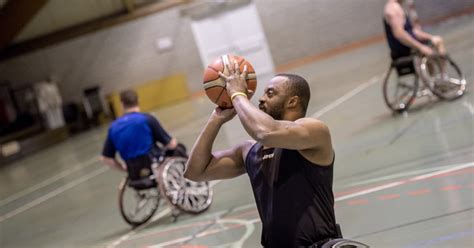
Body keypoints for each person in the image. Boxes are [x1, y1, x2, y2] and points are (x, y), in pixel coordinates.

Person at [184, 60, 338, 247]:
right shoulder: (250, 150)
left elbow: (265, 132)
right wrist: (216, 120)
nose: (261, 98)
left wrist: (238, 94)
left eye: (270, 93)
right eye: (264, 92)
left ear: (292, 101)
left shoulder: (314, 131)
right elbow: (195, 172)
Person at [101, 89, 177, 179]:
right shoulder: (147, 119)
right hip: (154, 165)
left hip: (134, 173)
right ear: (138, 101)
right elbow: (171, 145)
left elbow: (106, 159)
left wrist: (124, 169)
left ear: (122, 104)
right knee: (178, 148)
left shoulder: (113, 127)